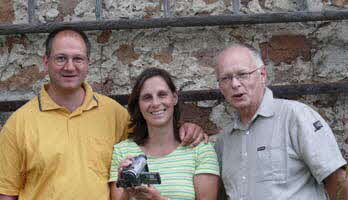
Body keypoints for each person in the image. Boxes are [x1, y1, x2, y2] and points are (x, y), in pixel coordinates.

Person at [0, 28, 206, 200]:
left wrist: (185, 128)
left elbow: (153, 134)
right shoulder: (19, 124)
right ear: (46, 61)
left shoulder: (114, 113)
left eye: (78, 59)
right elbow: (6, 193)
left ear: (88, 62)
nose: (70, 66)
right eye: (61, 58)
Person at [214, 44, 348, 200]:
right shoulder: (223, 141)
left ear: (262, 74)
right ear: (220, 86)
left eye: (243, 74)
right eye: (226, 78)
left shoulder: (295, 116)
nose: (235, 84)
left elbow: (341, 183)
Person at [109, 67, 220, 200]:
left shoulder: (200, 149)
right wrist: (126, 190)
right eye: (147, 97)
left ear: (174, 98)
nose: (155, 103)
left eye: (162, 94)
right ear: (138, 104)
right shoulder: (122, 151)